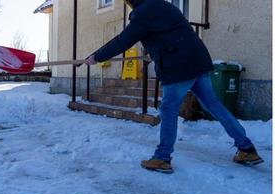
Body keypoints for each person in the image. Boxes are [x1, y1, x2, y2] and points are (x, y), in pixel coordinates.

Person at [84, 0, 263, 174]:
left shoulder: (143, 12)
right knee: (214, 104)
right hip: (198, 60)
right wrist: (151, 53)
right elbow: (166, 34)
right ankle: (247, 148)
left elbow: (123, 40)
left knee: (169, 109)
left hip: (178, 67)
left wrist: (97, 57)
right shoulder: (163, 5)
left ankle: (162, 158)